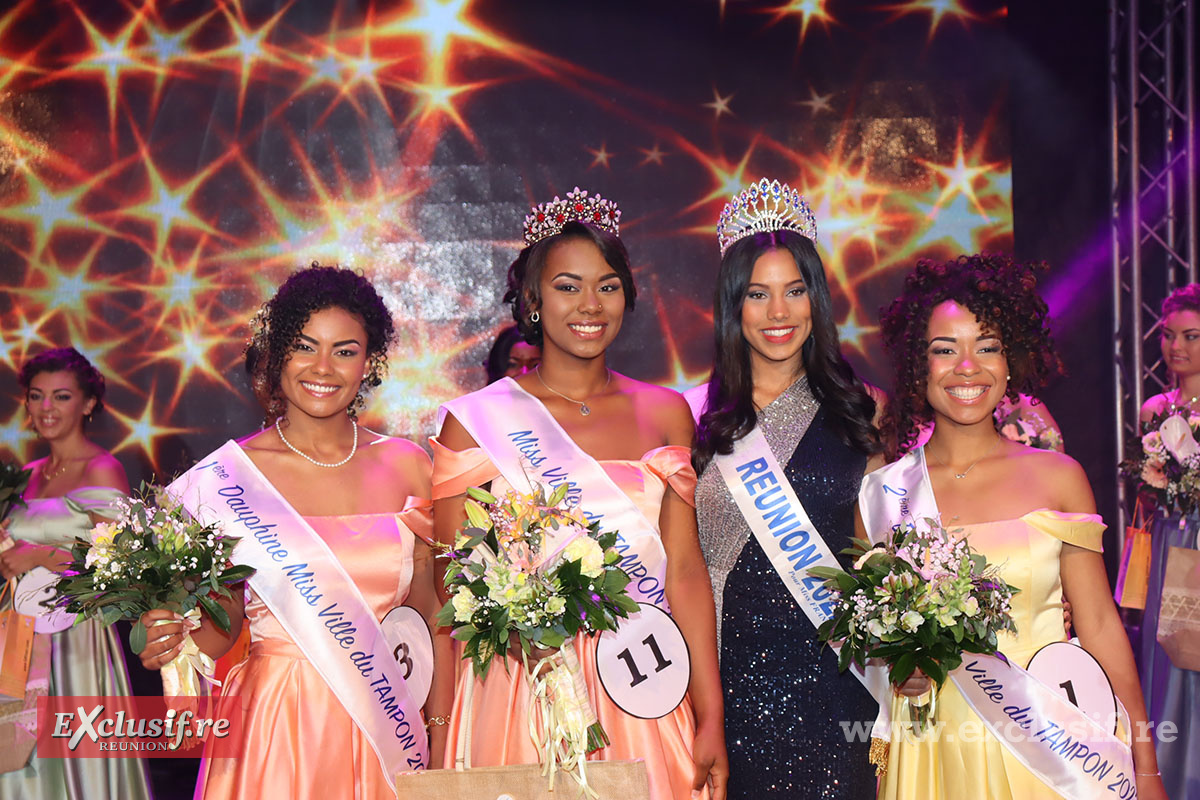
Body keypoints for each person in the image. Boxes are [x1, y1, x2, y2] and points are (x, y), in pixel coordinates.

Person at [432, 188, 729, 800]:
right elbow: (450, 577)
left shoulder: (666, 412)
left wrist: (710, 713)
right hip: (523, 685)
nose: (590, 304)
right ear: (534, 300)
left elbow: (685, 573)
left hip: (644, 676)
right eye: (568, 286)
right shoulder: (476, 421)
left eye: (608, 285)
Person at [136, 266, 453, 799]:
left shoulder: (409, 466)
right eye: (305, 346)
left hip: (388, 724)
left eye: (345, 350)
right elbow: (225, 622)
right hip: (277, 723)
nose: (323, 368)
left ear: (369, 361)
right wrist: (174, 640)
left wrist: (442, 742)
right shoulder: (228, 479)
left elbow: (428, 616)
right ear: (276, 353)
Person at [865, 254, 1166, 800]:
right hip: (934, 746)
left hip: (1050, 745)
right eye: (944, 350)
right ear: (918, 365)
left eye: (987, 347)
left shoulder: (1058, 477)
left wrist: (1144, 766)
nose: (967, 367)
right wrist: (898, 670)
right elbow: (876, 643)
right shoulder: (884, 492)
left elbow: (1099, 625)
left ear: (1010, 362)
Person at [689, 179, 884, 798]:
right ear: (732, 305)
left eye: (794, 292)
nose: (779, 314)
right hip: (731, 686)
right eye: (758, 294)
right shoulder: (694, 418)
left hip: (838, 686)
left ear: (816, 299)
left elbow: (879, 551)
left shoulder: (862, 410)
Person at [0, 347, 153, 799]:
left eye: (61, 397)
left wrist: (41, 554)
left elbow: (121, 566)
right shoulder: (25, 475)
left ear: (88, 403)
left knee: (74, 755)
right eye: (37, 396)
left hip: (76, 640)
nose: (47, 409)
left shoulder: (104, 469)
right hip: (18, 637)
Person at [1136, 282, 1200, 799]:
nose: (1176, 346)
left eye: (1191, 336)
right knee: (1172, 648)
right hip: (1171, 541)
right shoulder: (1155, 408)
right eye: (1169, 334)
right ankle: (1172, 773)